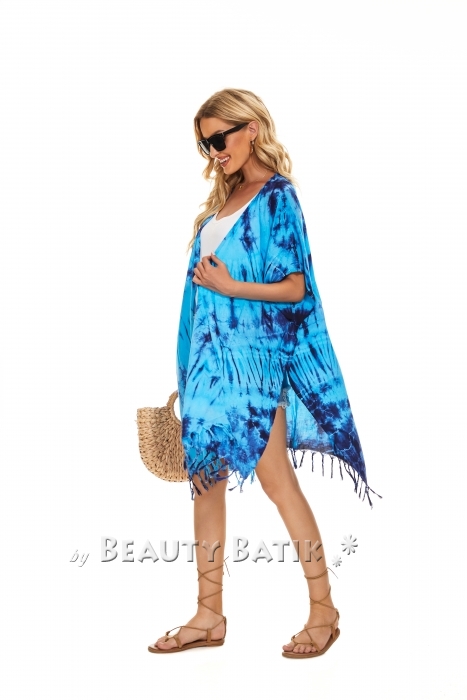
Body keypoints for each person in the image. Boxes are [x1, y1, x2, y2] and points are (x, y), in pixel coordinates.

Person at [148, 88, 382, 658]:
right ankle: (208, 616)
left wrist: (231, 286)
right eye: (205, 143)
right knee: (205, 485)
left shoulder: (278, 198)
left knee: (278, 482)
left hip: (254, 369)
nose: (213, 151)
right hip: (209, 370)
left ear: (251, 128)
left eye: (219, 138)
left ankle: (324, 610)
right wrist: (188, 365)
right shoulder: (221, 203)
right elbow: (198, 297)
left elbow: (295, 287)